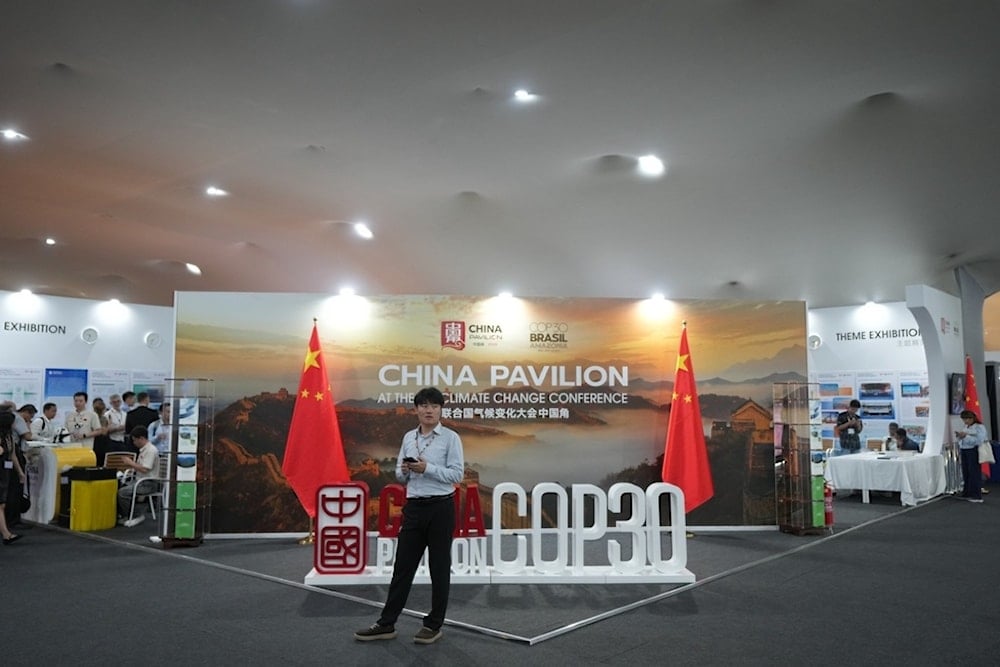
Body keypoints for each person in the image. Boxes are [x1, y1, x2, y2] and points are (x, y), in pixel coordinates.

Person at [355, 387, 465, 645]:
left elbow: (456, 475)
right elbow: (399, 475)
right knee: (402, 568)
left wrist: (428, 468)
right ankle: (386, 623)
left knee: (439, 569)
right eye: (424, 405)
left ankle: (433, 624)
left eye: (434, 406)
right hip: (414, 508)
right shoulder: (408, 437)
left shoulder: (451, 438)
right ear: (416, 409)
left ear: (441, 410)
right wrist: (405, 470)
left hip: (441, 507)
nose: (429, 410)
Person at [116, 426, 161, 526]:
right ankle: (125, 515)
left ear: (141, 438)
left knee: (123, 493)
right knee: (119, 486)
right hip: (140, 480)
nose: (134, 443)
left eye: (135, 440)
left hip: (148, 483)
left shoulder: (151, 450)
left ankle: (136, 515)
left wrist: (130, 463)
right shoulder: (143, 450)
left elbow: (145, 469)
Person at [0, 410, 27, 544]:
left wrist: (20, 472)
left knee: (2, 504)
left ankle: (6, 534)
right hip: (2, 472)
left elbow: (12, 456)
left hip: (4, 473)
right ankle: (6, 533)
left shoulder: (9, 436)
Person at [955, 409, 987, 503]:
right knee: (966, 472)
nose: (965, 421)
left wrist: (966, 437)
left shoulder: (979, 427)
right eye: (964, 420)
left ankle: (976, 495)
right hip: (964, 449)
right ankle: (967, 492)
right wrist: (960, 436)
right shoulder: (966, 426)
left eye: (967, 419)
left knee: (974, 472)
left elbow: (979, 440)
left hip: (973, 450)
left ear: (972, 418)